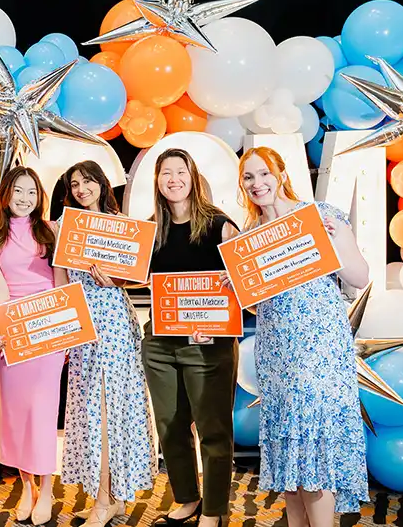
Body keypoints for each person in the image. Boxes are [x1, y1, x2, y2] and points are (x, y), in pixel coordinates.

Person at [238, 147, 369, 527]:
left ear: (281, 173)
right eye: (248, 177)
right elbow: (258, 305)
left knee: (314, 447)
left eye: (264, 173)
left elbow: (360, 277)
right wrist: (239, 286)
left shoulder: (320, 216)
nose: (258, 183)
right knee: (288, 455)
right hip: (276, 352)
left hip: (319, 349)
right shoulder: (251, 237)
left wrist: (331, 244)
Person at [55, 160, 156, 527]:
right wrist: (65, 327)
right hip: (83, 327)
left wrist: (116, 280)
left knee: (110, 410)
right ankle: (109, 497)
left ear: (101, 183)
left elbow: (143, 275)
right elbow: (61, 280)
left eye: (87, 181)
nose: (82, 189)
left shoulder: (122, 225)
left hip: (114, 324)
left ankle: (106, 499)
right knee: (89, 411)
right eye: (75, 184)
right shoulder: (67, 226)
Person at [141, 149, 240, 527]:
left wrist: (214, 319)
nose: (174, 179)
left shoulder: (220, 226)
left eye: (180, 171)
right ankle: (187, 498)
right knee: (170, 427)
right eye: (166, 173)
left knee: (213, 430)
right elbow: (136, 278)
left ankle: (214, 509)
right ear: (157, 181)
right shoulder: (150, 230)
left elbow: (245, 283)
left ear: (193, 177)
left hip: (208, 346)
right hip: (161, 344)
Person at [0, 166, 61, 525]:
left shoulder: (51, 230)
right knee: (16, 414)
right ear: (5, 195)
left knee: (42, 412)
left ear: (39, 197)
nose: (25, 199)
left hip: (48, 330)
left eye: (31, 192)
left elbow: (61, 283)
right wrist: (1, 327)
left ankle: (47, 489)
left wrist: (65, 332)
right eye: (18, 191)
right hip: (13, 332)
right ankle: (27, 487)